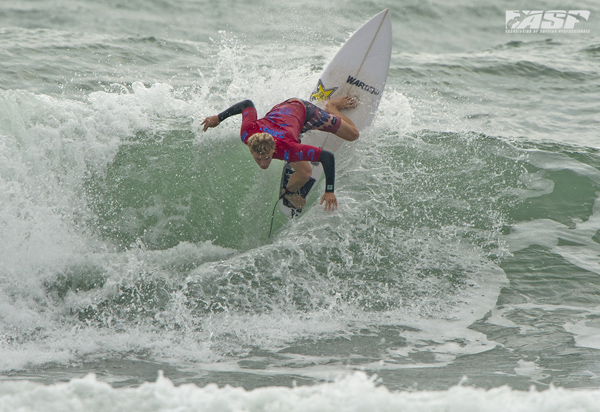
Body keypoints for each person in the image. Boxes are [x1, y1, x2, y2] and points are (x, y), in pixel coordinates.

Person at [201, 96, 359, 211]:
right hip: (282, 112)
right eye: (258, 158)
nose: (263, 163)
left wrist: (329, 190)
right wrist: (219, 118)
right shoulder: (247, 134)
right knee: (305, 172)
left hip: (304, 111)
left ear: (273, 149)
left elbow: (327, 157)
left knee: (353, 134)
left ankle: (331, 105)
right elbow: (247, 104)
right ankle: (288, 193)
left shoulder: (288, 148)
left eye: (267, 158)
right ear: (250, 148)